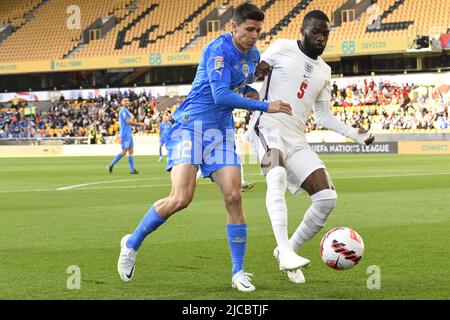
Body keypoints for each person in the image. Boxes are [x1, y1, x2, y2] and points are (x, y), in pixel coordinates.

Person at [116, 3, 292, 292]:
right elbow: (221, 95)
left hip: (220, 131)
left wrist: (256, 84)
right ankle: (131, 243)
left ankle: (238, 272)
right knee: (181, 198)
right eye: (249, 30)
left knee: (234, 197)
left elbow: (238, 89)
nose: (255, 36)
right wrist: (265, 105)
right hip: (191, 125)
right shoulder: (216, 50)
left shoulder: (255, 54)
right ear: (233, 27)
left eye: (259, 31)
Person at [246, 10, 375, 284]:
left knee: (327, 198)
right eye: (315, 32)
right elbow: (250, 79)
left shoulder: (324, 71)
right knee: (277, 176)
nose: (320, 38)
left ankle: (287, 250)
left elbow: (324, 117)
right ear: (302, 30)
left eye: (325, 33)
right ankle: (285, 251)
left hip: (296, 137)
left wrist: (355, 134)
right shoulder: (281, 47)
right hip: (267, 126)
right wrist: (255, 72)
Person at [107, 98, 145, 174]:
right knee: (124, 152)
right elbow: (127, 121)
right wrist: (139, 124)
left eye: (128, 101)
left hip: (129, 134)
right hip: (125, 134)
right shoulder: (123, 110)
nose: (127, 102)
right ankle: (111, 164)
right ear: (121, 102)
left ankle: (132, 169)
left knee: (131, 151)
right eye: (125, 101)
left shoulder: (127, 111)